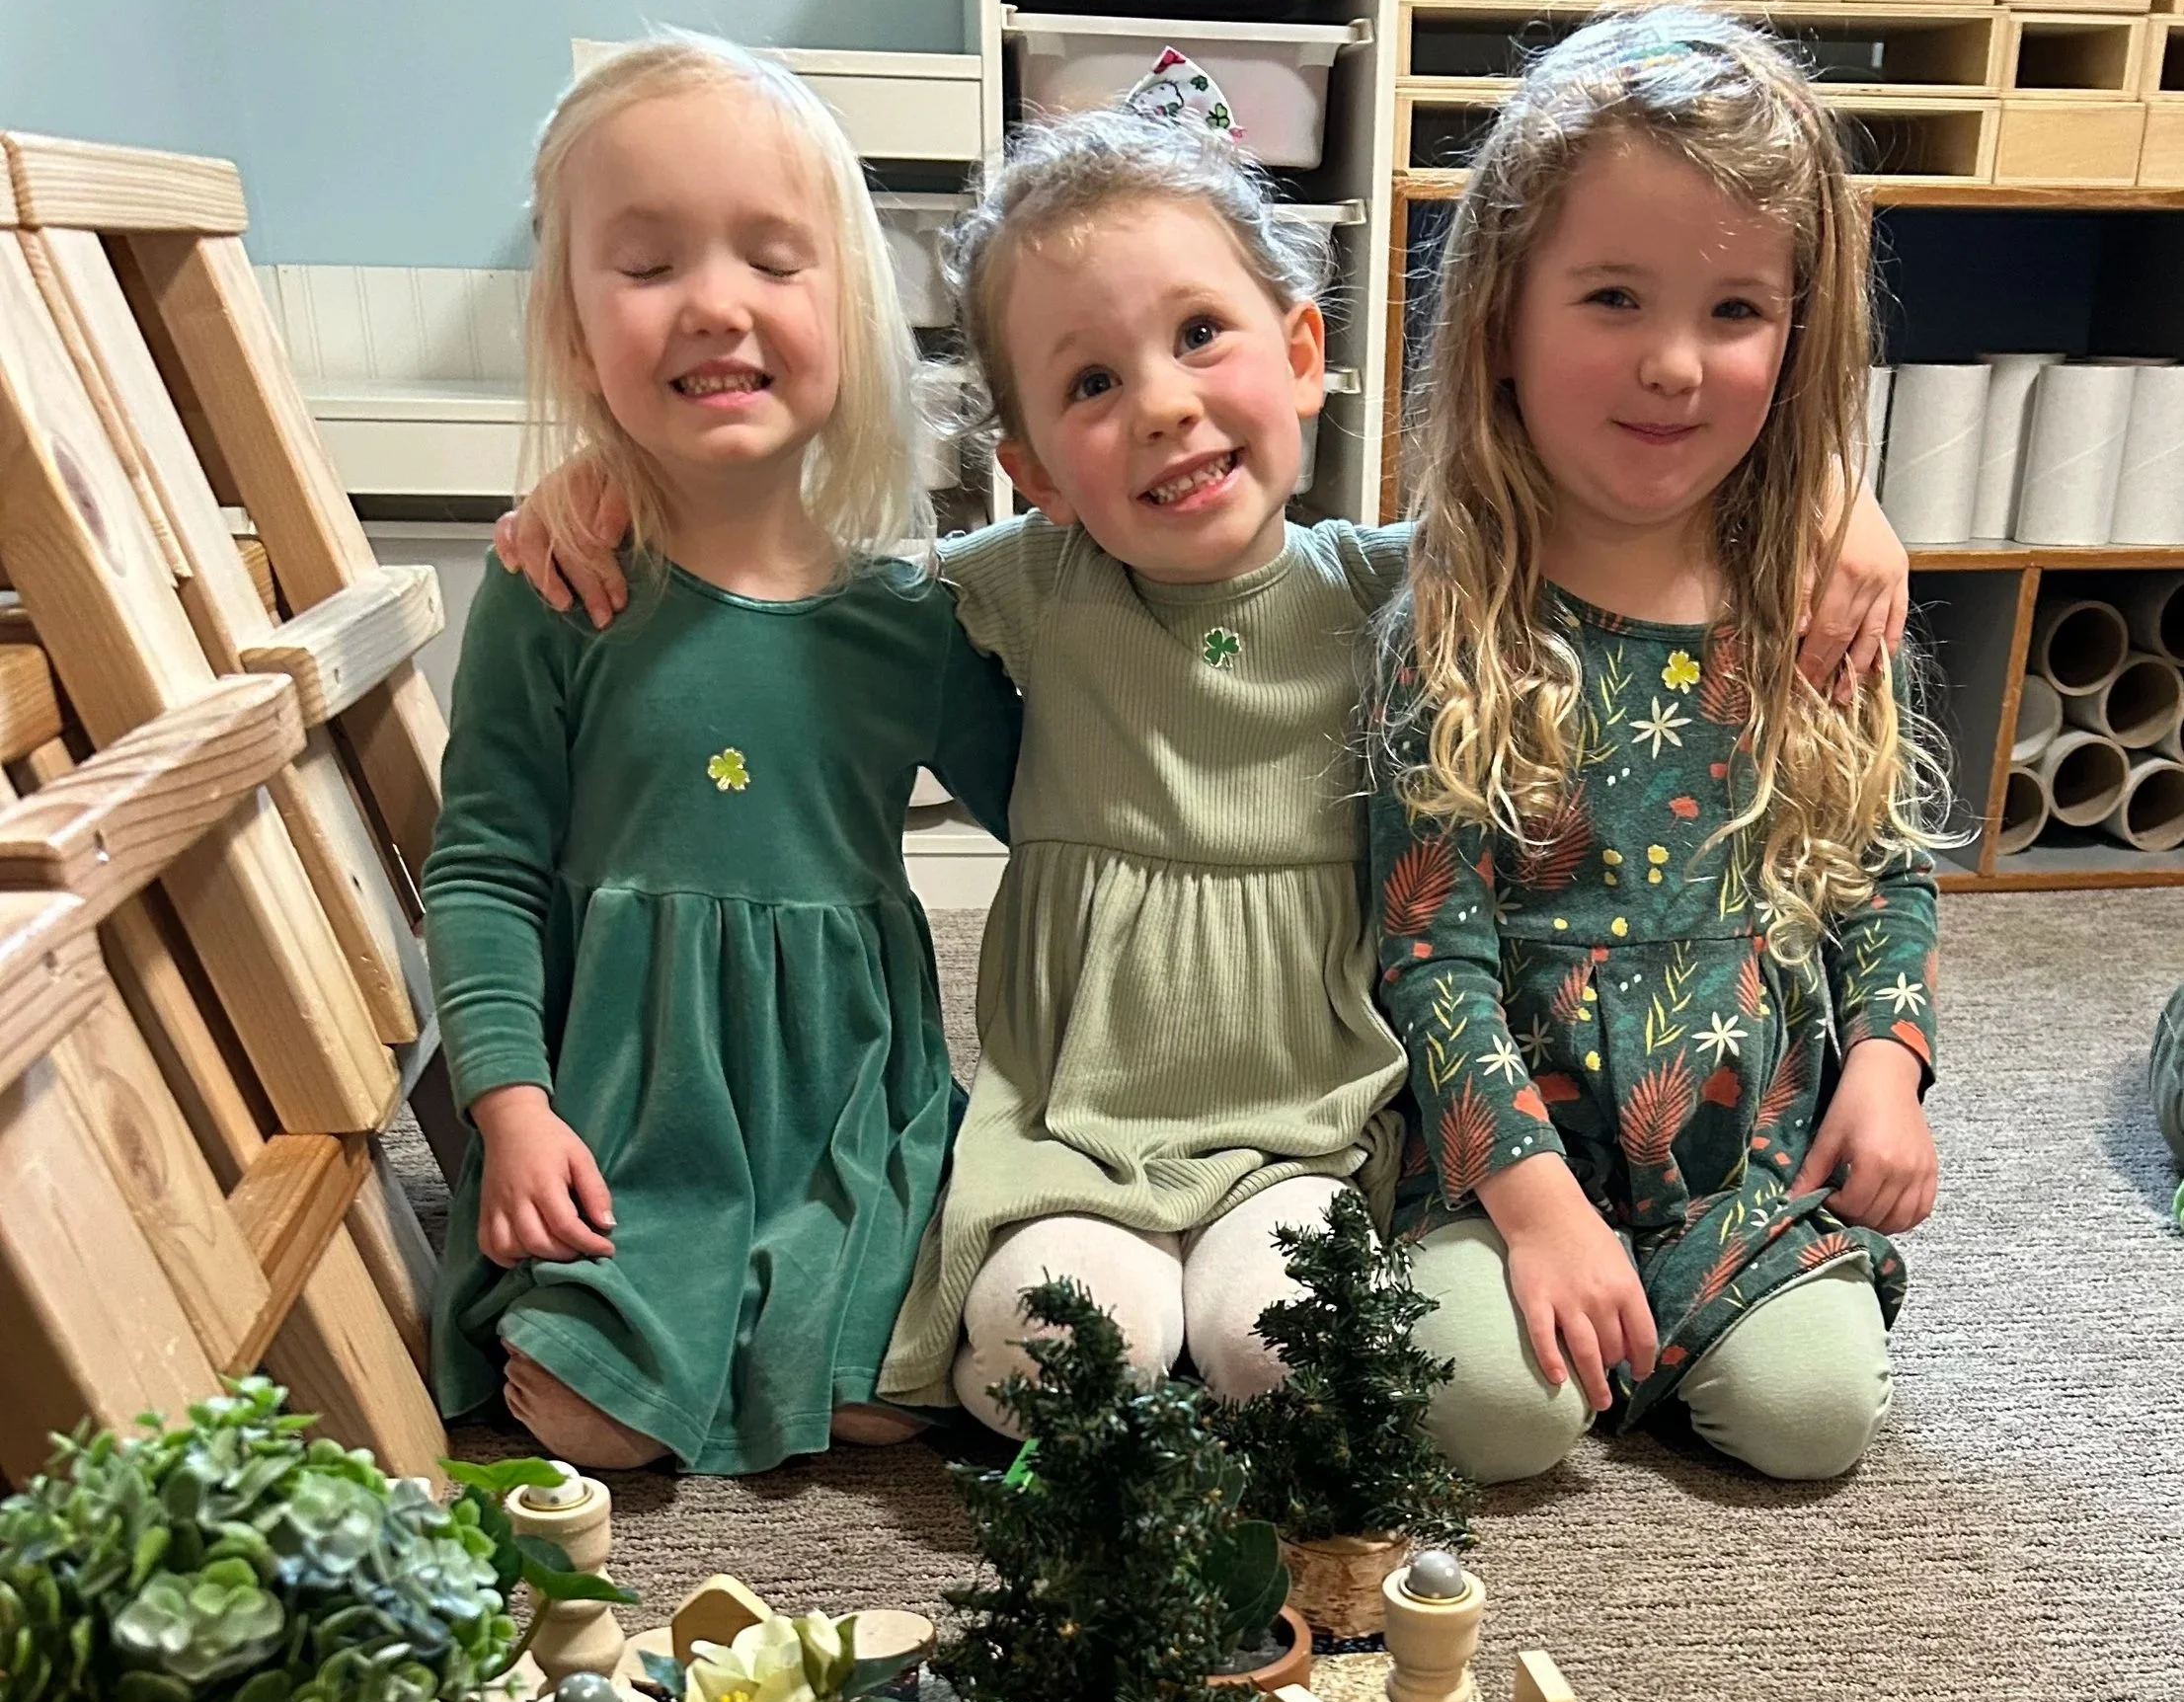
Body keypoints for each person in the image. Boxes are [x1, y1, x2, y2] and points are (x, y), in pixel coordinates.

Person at [502, 89, 1912, 1436]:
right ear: (1036, 469)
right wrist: (622, 481)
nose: (1165, 405)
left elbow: (1623, 516)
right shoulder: (1031, 585)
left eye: (1199, 336)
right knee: (1050, 1365)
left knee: (1294, 1355)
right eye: (1094, 384)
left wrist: (1835, 501)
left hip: (1306, 1133)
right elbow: (807, 588)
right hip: (1072, 1128)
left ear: (1303, 355)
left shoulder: (1400, 588)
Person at [425, 35, 1020, 1474]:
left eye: (771, 259)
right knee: (594, 1416)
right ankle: (698, 1317)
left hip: (851, 1110)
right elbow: (484, 863)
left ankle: (807, 1312)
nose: (714, 306)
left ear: (854, 311)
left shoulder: (917, 614)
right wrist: (509, 1108)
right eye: (647, 268)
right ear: (574, 335)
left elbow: (1062, 809)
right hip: (634, 1111)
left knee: (948, 1373)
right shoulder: (560, 587)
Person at [1372, 7, 1942, 1484]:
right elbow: (1431, 953)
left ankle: (1693, 1314)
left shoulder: (1812, 589)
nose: (1675, 365)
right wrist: (1539, 1207)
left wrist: (1886, 1063)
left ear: (1800, 335)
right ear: (1504, 314)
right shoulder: (1456, 608)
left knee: (1816, 1420)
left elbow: (1882, 875)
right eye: (1613, 298)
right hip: (1504, 1156)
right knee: (1492, 1416)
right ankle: (1573, 1287)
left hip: (1742, 1166)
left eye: (1737, 313)